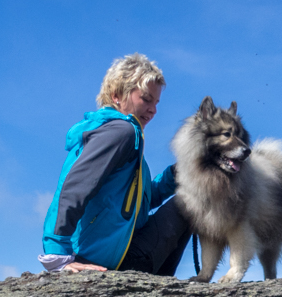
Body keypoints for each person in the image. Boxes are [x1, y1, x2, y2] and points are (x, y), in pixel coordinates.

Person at [40, 53, 191, 275]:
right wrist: (57, 255)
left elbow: (137, 205)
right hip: (111, 259)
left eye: (156, 103)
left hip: (114, 253)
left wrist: (178, 173)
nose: (153, 110)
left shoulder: (122, 137)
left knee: (186, 196)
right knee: (188, 203)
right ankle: (160, 288)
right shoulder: (122, 132)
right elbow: (74, 187)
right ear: (117, 95)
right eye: (146, 99)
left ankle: (158, 290)